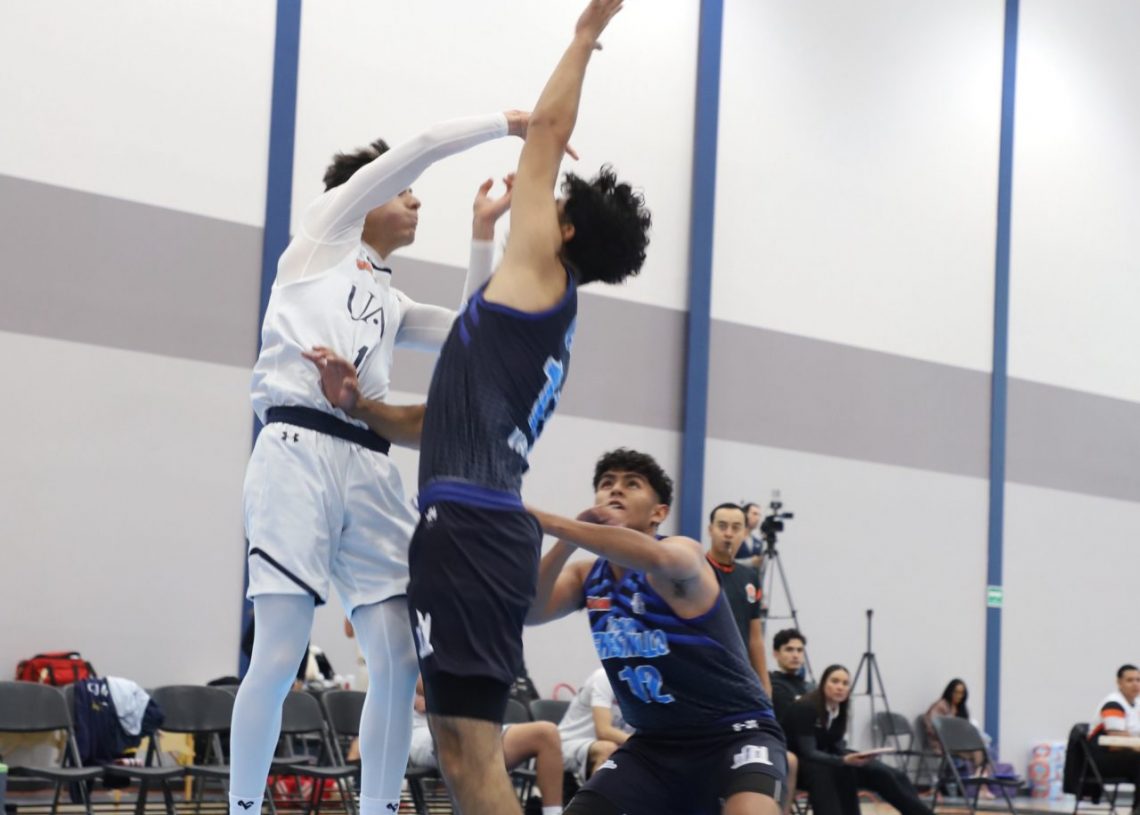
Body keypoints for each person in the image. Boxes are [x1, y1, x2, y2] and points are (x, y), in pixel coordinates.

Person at [232, 105, 530, 815]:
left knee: (398, 658)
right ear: (363, 198)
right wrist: (509, 122)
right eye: (404, 191)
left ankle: (377, 809)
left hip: (369, 464)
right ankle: (242, 807)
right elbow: (424, 144)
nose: (417, 201)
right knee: (280, 650)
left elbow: (472, 337)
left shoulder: (389, 301)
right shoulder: (319, 240)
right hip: (297, 452)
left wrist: (482, 233)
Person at [527, 448, 788, 815]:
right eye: (606, 483)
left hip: (735, 732)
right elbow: (531, 611)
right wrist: (568, 541)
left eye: (632, 484)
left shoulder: (681, 551)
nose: (615, 489)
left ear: (659, 513)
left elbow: (661, 559)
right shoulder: (588, 576)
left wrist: (546, 520)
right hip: (654, 746)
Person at [783, 665, 933, 815]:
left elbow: (835, 744)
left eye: (845, 683)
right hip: (799, 763)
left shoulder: (840, 708)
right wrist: (843, 760)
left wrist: (857, 757)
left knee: (886, 773)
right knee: (833, 770)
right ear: (823, 684)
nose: (840, 687)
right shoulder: (806, 707)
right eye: (835, 681)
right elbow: (808, 752)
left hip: (827, 757)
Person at [407, 677, 566, 813]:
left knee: (546, 734)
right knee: (471, 742)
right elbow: (431, 686)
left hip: (475, 725)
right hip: (421, 730)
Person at [706, 502, 771, 697]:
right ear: (710, 530)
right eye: (722, 526)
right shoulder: (696, 571)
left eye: (736, 528)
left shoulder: (749, 577)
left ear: (744, 533)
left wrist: (765, 685)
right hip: (704, 673)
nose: (728, 534)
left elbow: (755, 637)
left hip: (738, 676)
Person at [556, 668, 629, 785]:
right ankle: (593, 797)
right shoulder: (605, 676)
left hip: (609, 747)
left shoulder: (649, 685)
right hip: (566, 745)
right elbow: (603, 731)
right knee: (607, 749)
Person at [1087, 664, 1140, 797]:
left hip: (1127, 755)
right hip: (1103, 758)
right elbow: (1116, 743)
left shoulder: (1137, 704)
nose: (1135, 684)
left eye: (1138, 680)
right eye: (1130, 680)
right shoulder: (1113, 704)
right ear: (1119, 682)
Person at [769, 629, 813, 725]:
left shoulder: (808, 687)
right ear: (776, 654)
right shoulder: (770, 684)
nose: (795, 655)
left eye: (799, 650)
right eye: (789, 649)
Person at [736, 501, 765, 568]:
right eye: (754, 514)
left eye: (759, 515)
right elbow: (726, 562)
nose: (758, 518)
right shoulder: (733, 538)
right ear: (745, 515)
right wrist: (750, 562)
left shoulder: (758, 542)